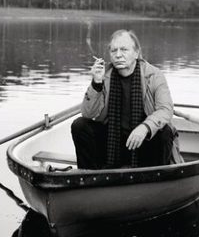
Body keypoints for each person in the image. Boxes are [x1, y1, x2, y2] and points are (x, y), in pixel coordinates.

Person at [71, 29, 181, 169]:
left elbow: (165, 110)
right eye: (114, 51)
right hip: (113, 142)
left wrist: (145, 127)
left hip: (143, 141)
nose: (118, 55)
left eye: (124, 50)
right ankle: (90, 176)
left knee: (164, 132)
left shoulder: (154, 75)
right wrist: (96, 84)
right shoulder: (104, 75)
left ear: (136, 53)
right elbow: (88, 114)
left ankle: (156, 177)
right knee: (79, 125)